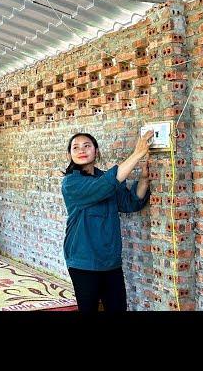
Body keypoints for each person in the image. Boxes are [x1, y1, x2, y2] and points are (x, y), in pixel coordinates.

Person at [61, 130, 153, 312]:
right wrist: (137, 154)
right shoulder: (71, 183)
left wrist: (143, 180)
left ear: (96, 150)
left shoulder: (104, 178)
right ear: (70, 154)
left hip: (110, 260)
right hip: (83, 260)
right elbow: (104, 186)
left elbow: (129, 203)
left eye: (87, 146)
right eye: (75, 147)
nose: (81, 150)